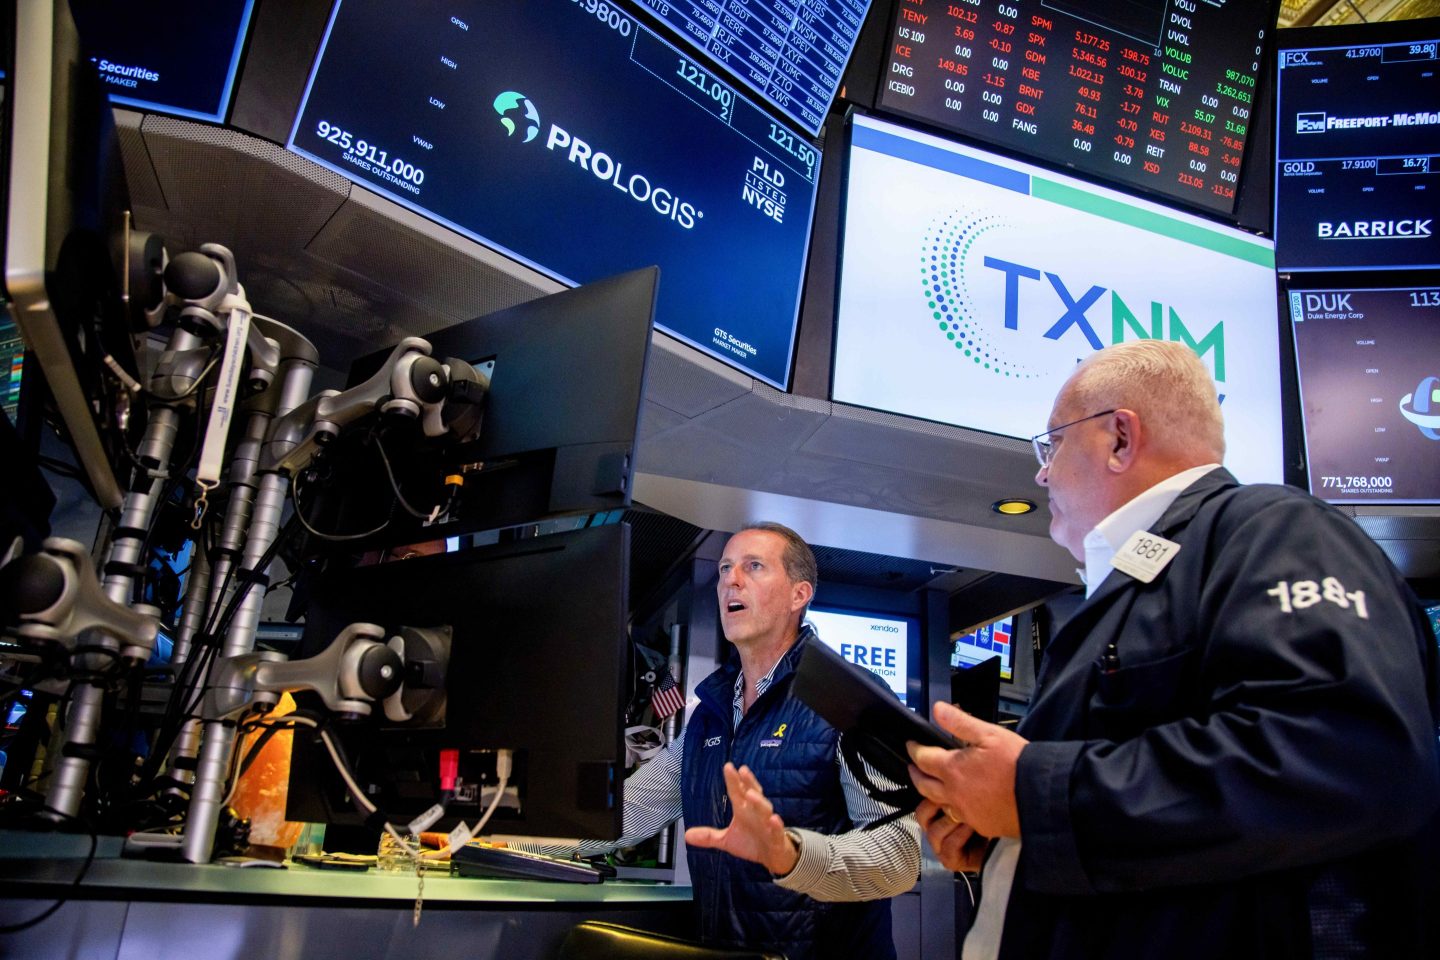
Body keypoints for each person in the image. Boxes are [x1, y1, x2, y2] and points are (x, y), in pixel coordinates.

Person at [907, 340, 1440, 960]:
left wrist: (1038, 795)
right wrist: (1013, 840)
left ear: (1120, 440)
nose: (1042, 472)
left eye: (1051, 444)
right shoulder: (1132, 585)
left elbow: (1347, 753)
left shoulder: (1276, 529)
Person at [596, 522, 920, 960]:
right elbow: (625, 813)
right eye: (726, 567)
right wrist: (507, 839)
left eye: (753, 566)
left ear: (798, 595)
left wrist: (791, 856)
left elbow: (898, 857)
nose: (730, 578)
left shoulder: (849, 700)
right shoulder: (708, 716)